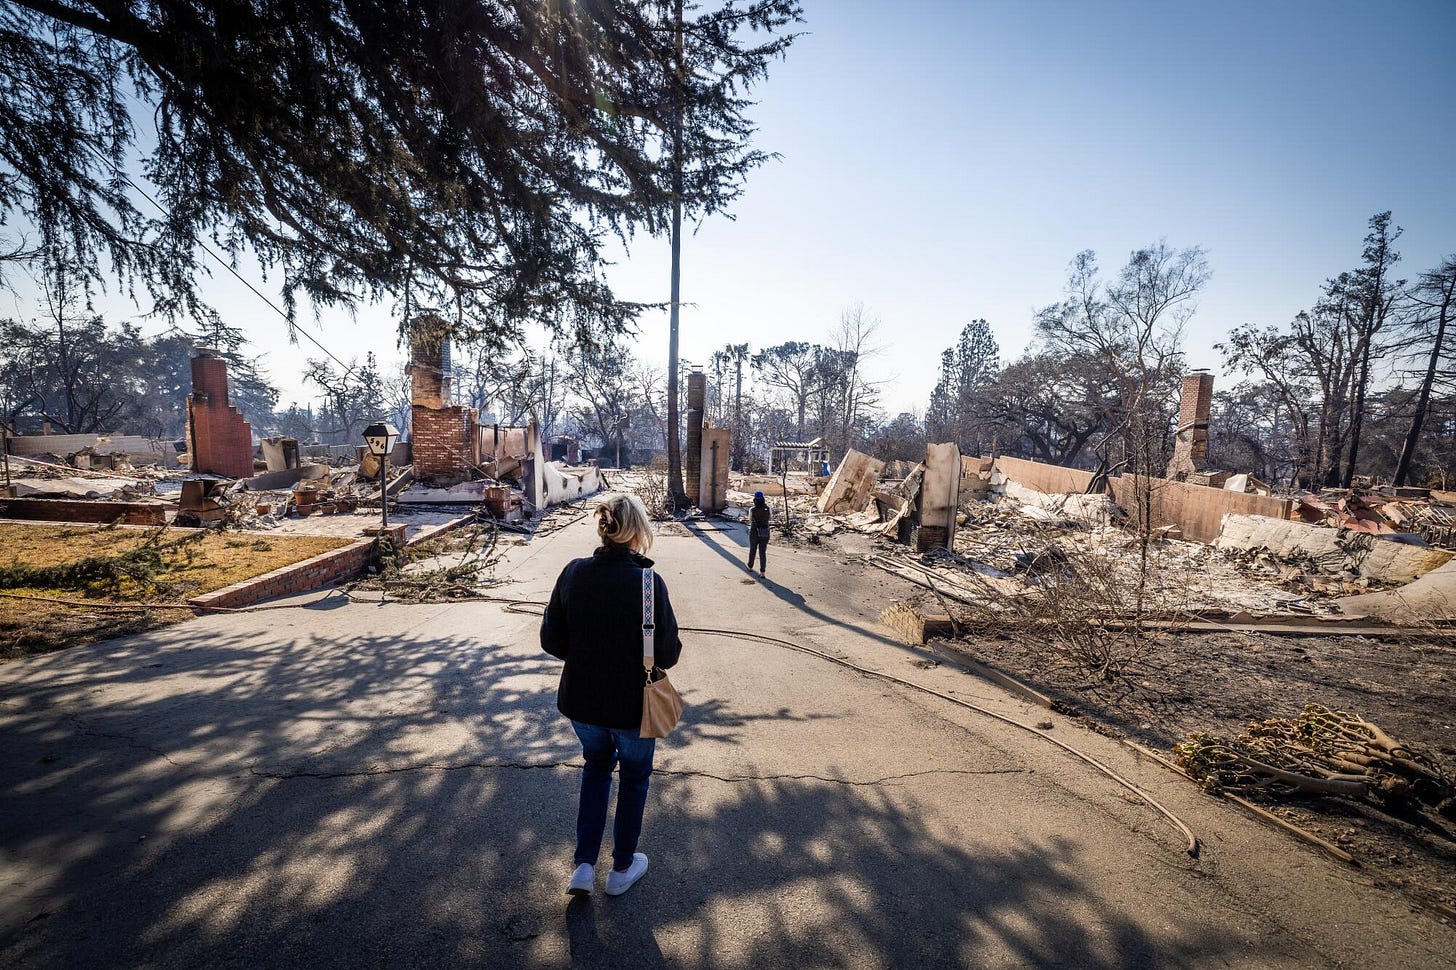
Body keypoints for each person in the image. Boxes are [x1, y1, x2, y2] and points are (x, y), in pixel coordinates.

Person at [541, 492, 682, 898]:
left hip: (583, 704)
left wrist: (587, 654)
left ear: (603, 530)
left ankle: (584, 865)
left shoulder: (573, 573)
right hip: (634, 708)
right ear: (637, 532)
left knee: (596, 769)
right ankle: (621, 868)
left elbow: (552, 640)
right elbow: (667, 655)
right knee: (634, 779)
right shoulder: (647, 584)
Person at [748, 490, 771, 576]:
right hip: (765, 532)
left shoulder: (752, 510)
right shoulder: (768, 509)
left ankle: (750, 567)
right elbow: (770, 518)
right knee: (762, 552)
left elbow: (750, 519)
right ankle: (762, 572)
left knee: (752, 550)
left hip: (754, 532)